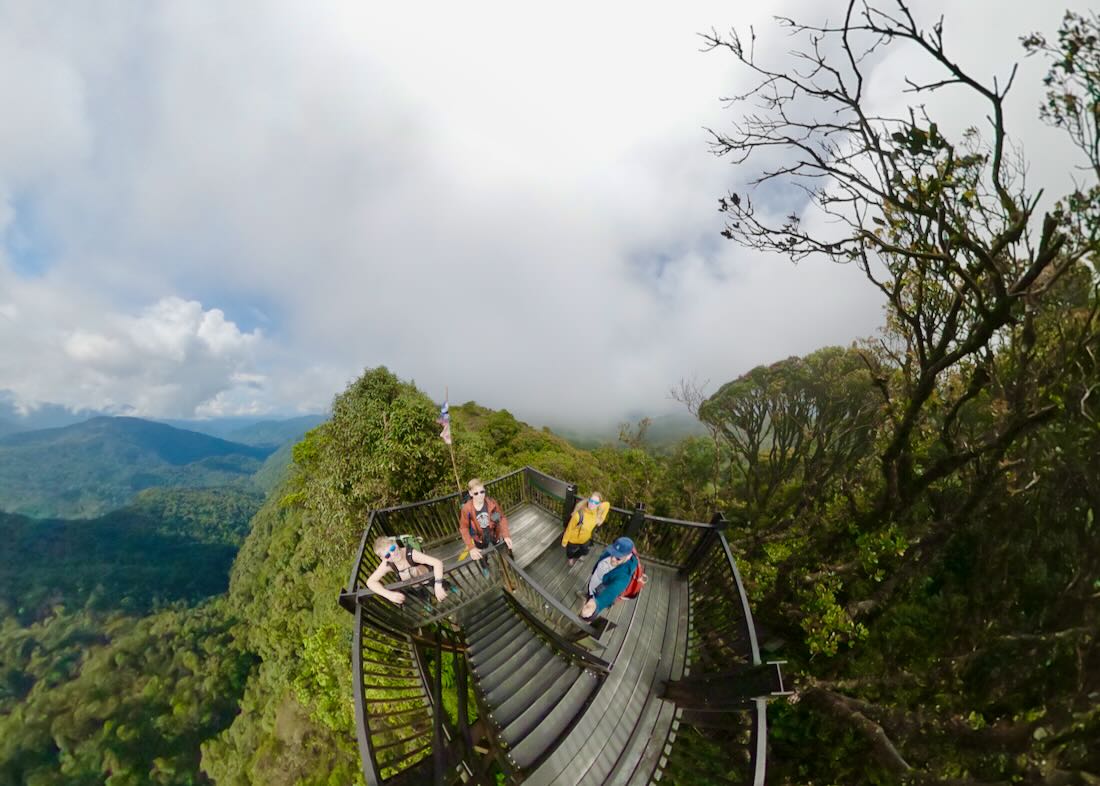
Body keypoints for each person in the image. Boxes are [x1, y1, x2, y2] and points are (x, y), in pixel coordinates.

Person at [365, 535, 448, 606]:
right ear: (383, 558)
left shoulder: (411, 554)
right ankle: (428, 603)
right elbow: (370, 582)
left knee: (444, 585)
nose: (393, 554)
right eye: (387, 555)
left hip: (427, 576)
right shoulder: (387, 563)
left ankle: (451, 588)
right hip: (413, 584)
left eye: (392, 548)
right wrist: (388, 594)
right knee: (422, 595)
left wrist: (438, 584)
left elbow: (437, 563)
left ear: (396, 544)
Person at [458, 478, 513, 575]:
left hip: (493, 533)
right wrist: (471, 547)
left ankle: (505, 564)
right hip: (479, 537)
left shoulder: (491, 503)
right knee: (482, 554)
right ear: (471, 493)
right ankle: (485, 567)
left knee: (500, 548)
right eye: (476, 493)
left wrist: (506, 535)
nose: (480, 495)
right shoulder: (467, 509)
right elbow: (464, 528)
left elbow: (501, 518)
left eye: (482, 491)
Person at [579, 536, 639, 621]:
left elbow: (613, 590)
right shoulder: (612, 552)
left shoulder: (624, 575)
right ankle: (589, 595)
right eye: (613, 553)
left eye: (618, 558)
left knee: (587, 617)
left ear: (629, 556)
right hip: (594, 583)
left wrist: (597, 603)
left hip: (600, 594)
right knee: (590, 593)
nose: (613, 559)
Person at [562, 491, 611, 566]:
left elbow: (607, 504)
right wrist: (564, 542)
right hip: (573, 539)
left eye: (595, 502)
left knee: (585, 551)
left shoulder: (597, 513)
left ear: (599, 504)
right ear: (588, 500)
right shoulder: (579, 515)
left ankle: (576, 556)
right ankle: (570, 558)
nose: (592, 504)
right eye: (591, 501)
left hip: (585, 539)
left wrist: (602, 517)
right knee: (570, 552)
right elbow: (569, 529)